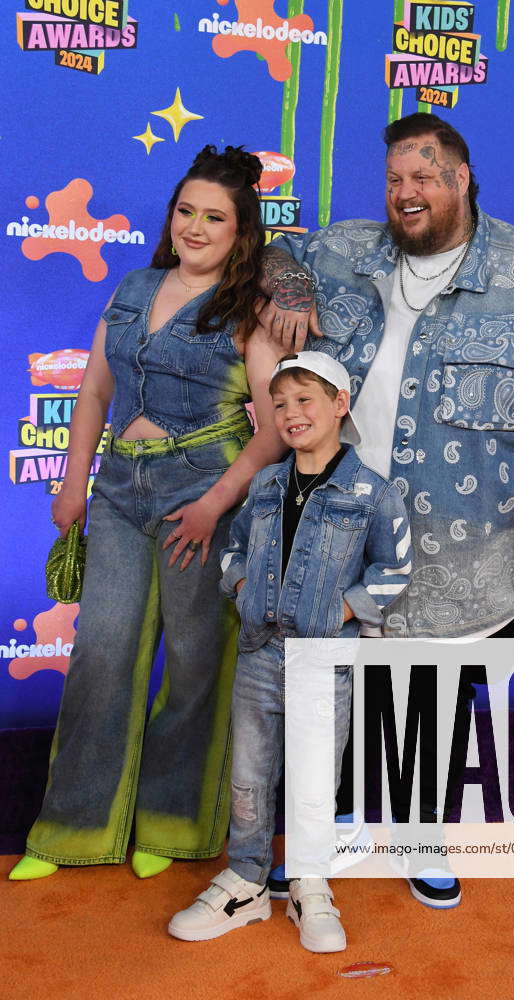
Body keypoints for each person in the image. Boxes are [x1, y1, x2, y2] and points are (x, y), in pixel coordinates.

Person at [257, 112, 514, 907]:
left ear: (461, 180)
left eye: (422, 178)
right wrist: (285, 283)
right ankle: (335, 826)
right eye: (394, 179)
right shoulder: (346, 250)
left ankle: (421, 831)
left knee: (437, 690)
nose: (404, 194)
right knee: (338, 681)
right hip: (345, 530)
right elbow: (273, 248)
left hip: (471, 550)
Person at [9, 146, 285, 881]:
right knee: (100, 653)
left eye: (215, 217)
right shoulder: (134, 285)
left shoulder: (247, 306)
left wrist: (212, 505)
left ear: (240, 231)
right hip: (120, 493)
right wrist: (73, 484)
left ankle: (175, 824)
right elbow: (95, 393)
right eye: (186, 210)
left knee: (196, 662)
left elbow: (274, 427)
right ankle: (71, 830)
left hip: (204, 492)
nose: (196, 226)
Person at [168, 352, 412, 951]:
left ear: (340, 404)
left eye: (305, 400)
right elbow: (234, 549)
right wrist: (245, 585)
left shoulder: (370, 493)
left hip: (322, 660)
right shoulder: (268, 484)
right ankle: (246, 882)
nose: (290, 413)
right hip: (257, 652)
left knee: (312, 780)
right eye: (278, 404)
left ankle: (309, 884)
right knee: (249, 776)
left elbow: (395, 568)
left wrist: (343, 609)